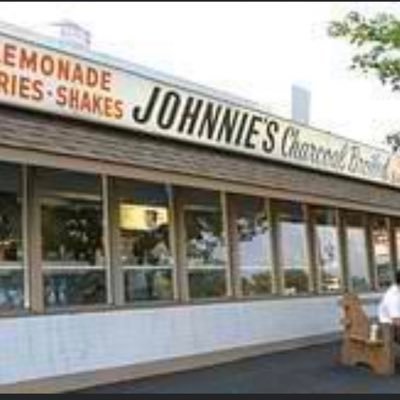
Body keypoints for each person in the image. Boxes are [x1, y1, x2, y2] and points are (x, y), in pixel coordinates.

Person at [378, 270, 400, 342]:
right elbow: (396, 320)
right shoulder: (393, 296)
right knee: (390, 348)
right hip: (389, 326)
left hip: (395, 325)